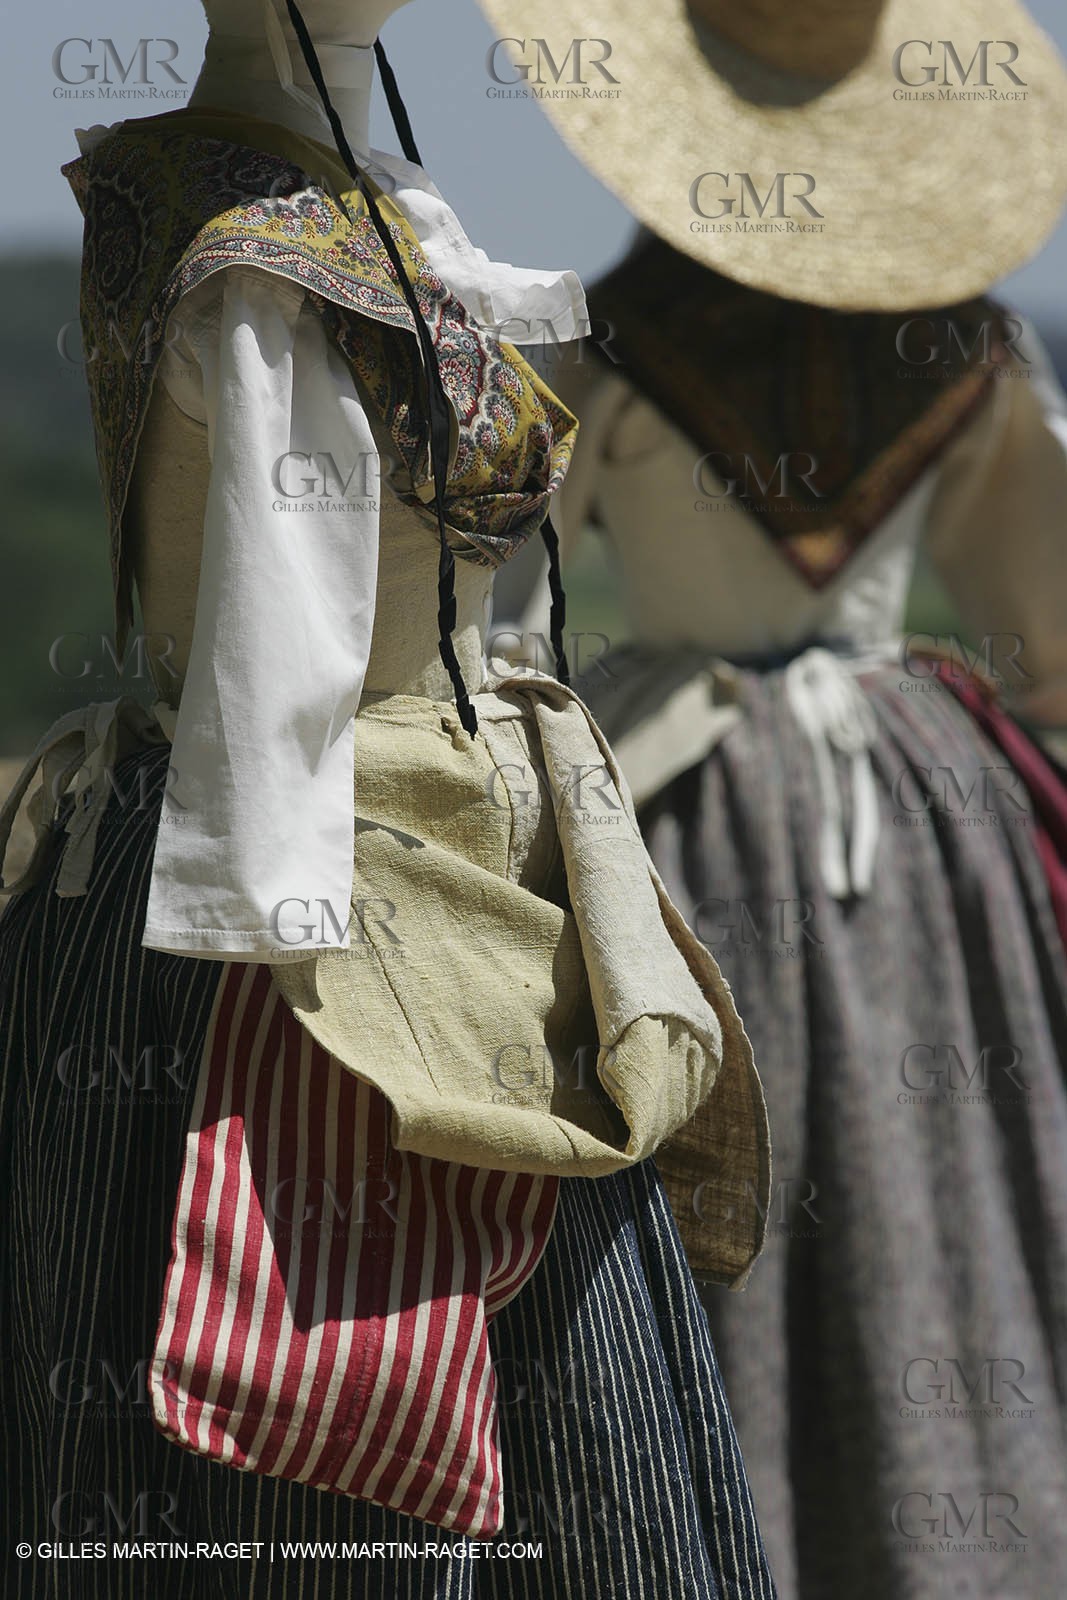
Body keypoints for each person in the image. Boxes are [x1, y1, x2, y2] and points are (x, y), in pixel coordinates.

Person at [0, 1, 777, 1596]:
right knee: (343, 1417)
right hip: (319, 889)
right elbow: (280, 653)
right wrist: (308, 994)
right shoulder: (259, 258)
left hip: (377, 832)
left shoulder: (305, 201)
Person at [478, 0, 1067, 1594]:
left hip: (672, 802)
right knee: (935, 1184)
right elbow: (1049, 636)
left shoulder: (604, 338)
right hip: (914, 821)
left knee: (683, 1181)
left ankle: (701, 1535)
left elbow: (500, 611)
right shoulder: (967, 346)